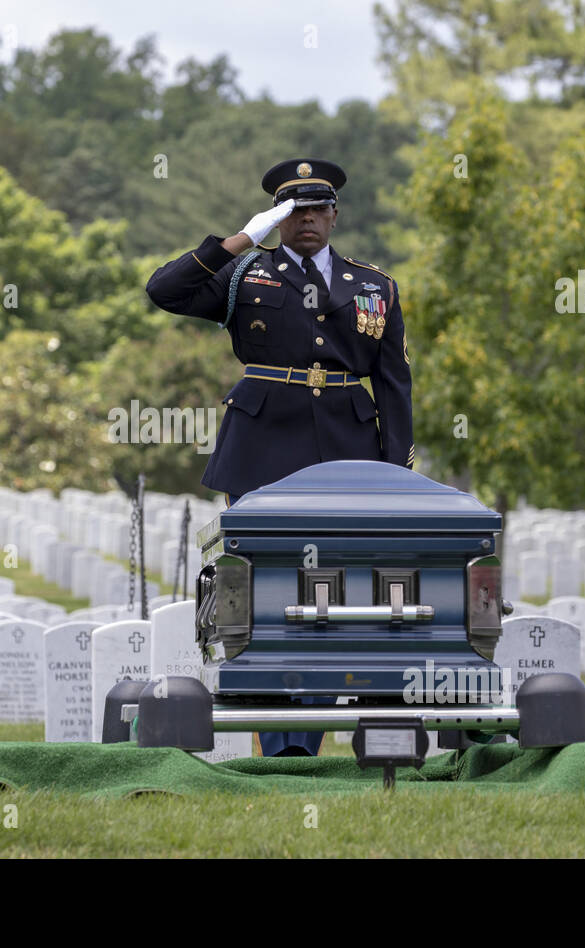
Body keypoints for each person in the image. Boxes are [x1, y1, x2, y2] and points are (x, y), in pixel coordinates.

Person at [145, 157, 414, 756]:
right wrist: (243, 238)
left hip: (348, 454)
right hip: (261, 449)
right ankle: (277, 742)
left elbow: (394, 384)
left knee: (329, 598)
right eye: (295, 211)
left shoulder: (374, 286)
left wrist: (397, 473)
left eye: (318, 208)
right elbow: (165, 290)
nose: (308, 220)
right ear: (279, 217)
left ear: (336, 215)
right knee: (265, 598)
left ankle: (315, 739)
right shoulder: (245, 274)